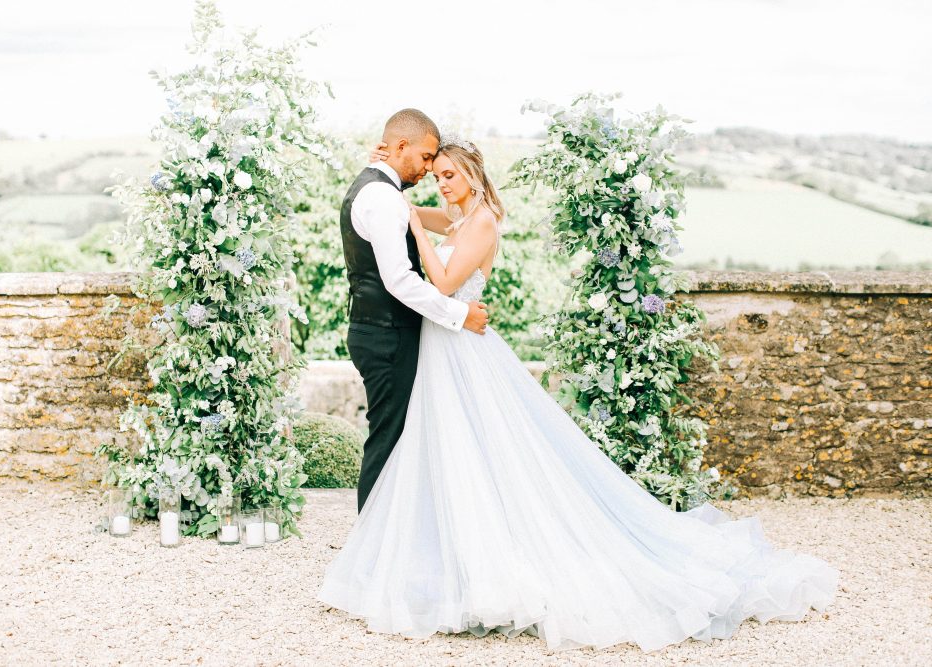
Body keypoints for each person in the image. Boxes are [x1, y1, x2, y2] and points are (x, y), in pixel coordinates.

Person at [318, 134, 839, 653]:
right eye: (436, 176)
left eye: (450, 175)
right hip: (442, 347)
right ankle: (444, 559)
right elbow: (407, 208)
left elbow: (445, 282)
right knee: (447, 451)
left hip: (461, 345)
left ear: (473, 175)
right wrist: (391, 179)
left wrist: (414, 227)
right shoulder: (457, 217)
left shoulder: (482, 222)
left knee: (485, 451)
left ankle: (485, 564)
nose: (442, 184)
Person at [338, 109, 489, 513]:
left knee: (402, 440)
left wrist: (380, 165)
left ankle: (396, 536)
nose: (428, 171)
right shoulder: (382, 197)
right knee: (389, 442)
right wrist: (460, 314)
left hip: (383, 331)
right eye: (425, 159)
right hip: (388, 335)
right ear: (401, 146)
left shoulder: (377, 189)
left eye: (441, 170)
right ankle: (373, 541)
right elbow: (400, 281)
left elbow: (440, 219)